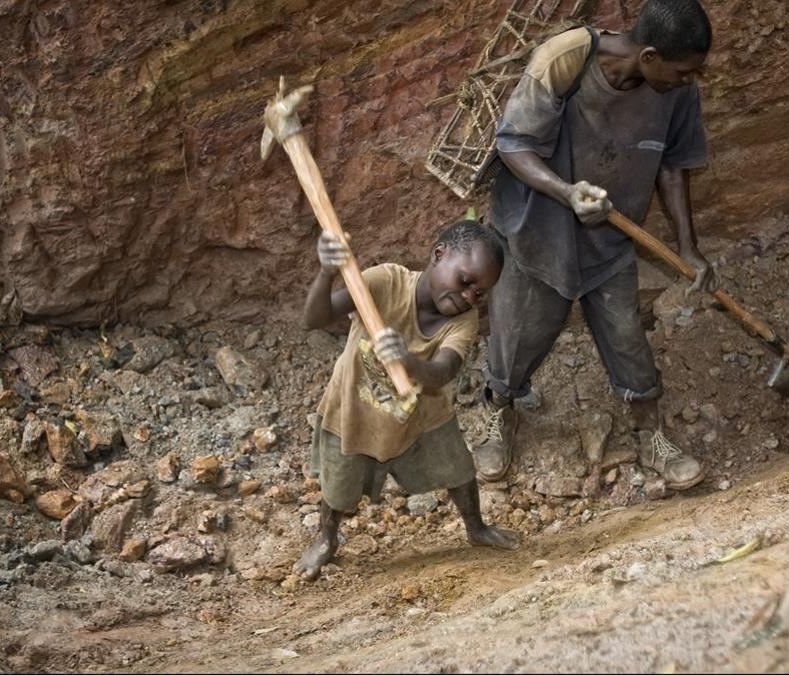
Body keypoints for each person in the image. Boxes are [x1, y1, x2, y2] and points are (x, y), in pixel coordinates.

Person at [474, 0, 716, 491]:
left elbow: (672, 167)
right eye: (683, 70)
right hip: (535, 232)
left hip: (610, 239)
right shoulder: (565, 59)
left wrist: (689, 249)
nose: (690, 80)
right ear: (649, 56)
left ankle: (651, 432)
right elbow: (514, 143)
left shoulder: (677, 92)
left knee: (627, 337)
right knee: (517, 337)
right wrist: (566, 192)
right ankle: (498, 412)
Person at [297, 219, 519, 581]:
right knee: (339, 487)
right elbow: (314, 318)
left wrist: (408, 361)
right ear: (438, 255)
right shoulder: (386, 282)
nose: (469, 297)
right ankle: (326, 538)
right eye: (466, 282)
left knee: (459, 470)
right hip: (356, 410)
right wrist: (325, 273)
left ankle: (476, 527)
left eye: (480, 293)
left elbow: (442, 372)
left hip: (422, 416)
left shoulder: (463, 322)